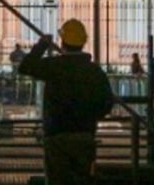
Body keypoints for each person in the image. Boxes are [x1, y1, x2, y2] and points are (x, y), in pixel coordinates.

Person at [19, 19, 114, 185]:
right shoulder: (94, 71)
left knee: (57, 179)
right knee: (83, 180)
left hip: (56, 135)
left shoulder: (54, 66)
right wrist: (90, 116)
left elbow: (25, 66)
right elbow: (106, 103)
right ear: (83, 43)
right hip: (84, 135)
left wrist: (42, 45)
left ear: (62, 42)